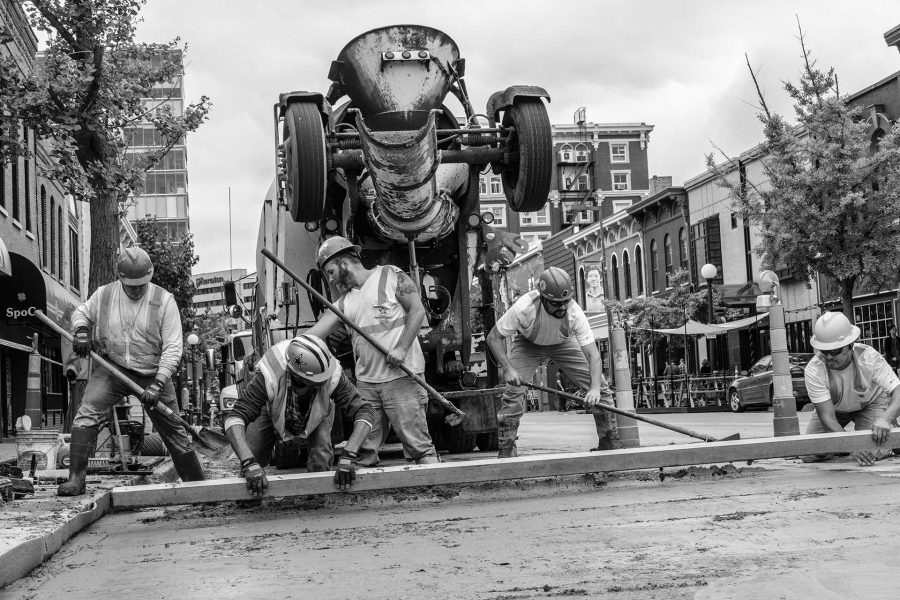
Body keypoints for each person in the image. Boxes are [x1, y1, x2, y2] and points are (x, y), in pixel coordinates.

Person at [59, 247, 203, 496]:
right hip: (113, 369)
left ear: (150, 276)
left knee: (174, 433)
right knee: (87, 414)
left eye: (142, 285)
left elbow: (172, 347)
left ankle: (200, 487)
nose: (137, 290)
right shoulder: (104, 295)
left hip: (153, 373)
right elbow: (81, 312)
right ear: (120, 278)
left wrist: (158, 383)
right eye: (131, 286)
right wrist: (81, 330)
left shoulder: (164, 300)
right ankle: (75, 479)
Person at [307, 236, 440, 466]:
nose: (330, 280)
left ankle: (438, 495)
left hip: (402, 376)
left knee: (419, 446)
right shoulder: (346, 301)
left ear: (344, 263)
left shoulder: (391, 276)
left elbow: (417, 311)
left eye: (330, 272)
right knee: (363, 452)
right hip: (367, 385)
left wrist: (401, 348)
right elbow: (315, 333)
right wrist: (290, 349)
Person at [487, 266, 619, 457]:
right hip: (528, 343)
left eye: (566, 301)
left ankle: (609, 443)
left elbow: (594, 356)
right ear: (543, 298)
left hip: (562, 342)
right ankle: (507, 449)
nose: (563, 307)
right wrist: (507, 368)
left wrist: (595, 389)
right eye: (557, 303)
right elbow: (493, 337)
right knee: (513, 392)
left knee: (601, 388)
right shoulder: (524, 307)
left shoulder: (574, 313)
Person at [224, 334, 377, 495]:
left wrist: (349, 454)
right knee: (254, 452)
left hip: (319, 410)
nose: (322, 383)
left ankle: (318, 499)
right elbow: (235, 417)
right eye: (316, 382)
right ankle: (248, 496)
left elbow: (365, 410)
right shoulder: (270, 373)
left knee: (321, 456)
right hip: (272, 406)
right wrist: (249, 462)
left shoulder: (330, 372)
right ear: (296, 375)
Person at [802, 312, 900, 465]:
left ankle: (889, 428)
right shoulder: (814, 370)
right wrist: (851, 447)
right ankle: (841, 444)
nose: (829, 358)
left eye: (835, 352)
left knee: (871, 451)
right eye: (825, 352)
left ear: (850, 345)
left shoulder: (870, 358)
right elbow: (827, 417)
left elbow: (898, 390)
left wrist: (885, 419)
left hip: (870, 403)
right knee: (809, 453)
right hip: (835, 411)